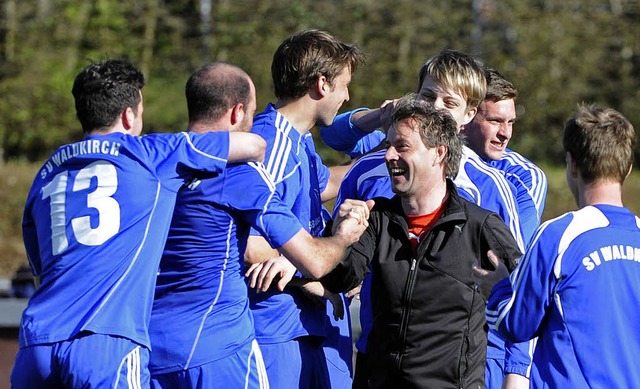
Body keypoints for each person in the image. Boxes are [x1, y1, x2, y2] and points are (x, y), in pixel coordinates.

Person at [11, 58, 266, 388]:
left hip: (37, 342)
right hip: (106, 341)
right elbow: (253, 145)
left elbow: (39, 271)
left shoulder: (47, 174)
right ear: (129, 115)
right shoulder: (150, 153)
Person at [147, 62, 369, 389]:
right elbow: (312, 259)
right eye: (253, 113)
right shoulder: (240, 173)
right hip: (218, 351)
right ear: (238, 112)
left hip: (152, 343)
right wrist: (342, 237)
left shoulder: (150, 163)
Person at [319, 49, 527, 388]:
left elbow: (519, 291)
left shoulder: (491, 188)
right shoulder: (372, 170)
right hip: (379, 362)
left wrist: (515, 374)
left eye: (449, 103)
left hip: (463, 368)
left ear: (469, 114)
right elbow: (339, 265)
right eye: (428, 96)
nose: (434, 108)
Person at [485, 104, 640, 388]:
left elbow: (515, 324)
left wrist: (498, 285)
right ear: (627, 169)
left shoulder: (558, 236)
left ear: (571, 163)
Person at [244, 29, 366, 388]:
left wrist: (389, 160)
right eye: (345, 85)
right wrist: (313, 279)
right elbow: (251, 245)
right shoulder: (270, 144)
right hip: (278, 329)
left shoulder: (296, 140)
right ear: (322, 84)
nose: (348, 96)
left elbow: (323, 182)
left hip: (308, 328)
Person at [463, 68, 548, 246]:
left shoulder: (525, 176)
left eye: (511, 122)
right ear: (467, 116)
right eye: (495, 121)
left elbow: (513, 254)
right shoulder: (429, 157)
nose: (506, 133)